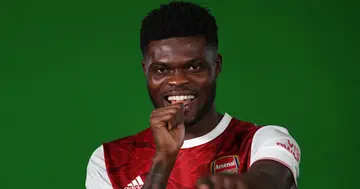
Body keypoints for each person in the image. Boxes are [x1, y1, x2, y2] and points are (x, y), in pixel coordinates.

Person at [85, 1, 301, 189]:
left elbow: (271, 181)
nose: (178, 81)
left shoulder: (262, 141)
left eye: (194, 67)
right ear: (146, 71)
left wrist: (243, 186)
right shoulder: (109, 161)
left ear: (216, 66)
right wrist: (163, 160)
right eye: (162, 70)